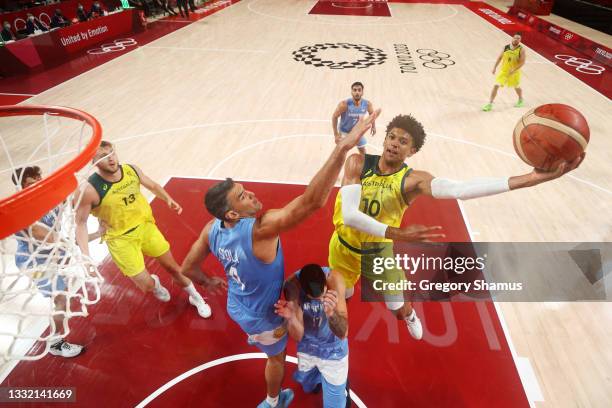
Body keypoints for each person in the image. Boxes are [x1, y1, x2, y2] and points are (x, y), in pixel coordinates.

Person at [180, 111, 379, 408]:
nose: (250, 194)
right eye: (242, 196)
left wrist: (207, 281)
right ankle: (273, 401)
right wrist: (342, 148)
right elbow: (312, 202)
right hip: (265, 315)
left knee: (288, 335)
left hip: (238, 306)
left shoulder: (212, 229)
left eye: (244, 189)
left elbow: (187, 268)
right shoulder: (261, 230)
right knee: (276, 359)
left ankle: (293, 371)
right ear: (233, 214)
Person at [329, 113, 584, 339]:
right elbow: (349, 215)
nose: (395, 143)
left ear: (412, 151)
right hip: (343, 248)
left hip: (378, 255)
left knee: (397, 310)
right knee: (341, 302)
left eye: (403, 141)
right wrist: (396, 233)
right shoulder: (358, 164)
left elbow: (460, 189)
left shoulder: (413, 181)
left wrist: (530, 179)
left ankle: (409, 315)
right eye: (392, 137)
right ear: (384, 139)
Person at [75, 141, 218, 319]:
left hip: (145, 227)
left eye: (112, 153)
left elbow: (152, 185)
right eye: (104, 157)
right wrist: (86, 259)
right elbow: (80, 223)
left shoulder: (131, 170)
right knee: (146, 285)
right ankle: (155, 285)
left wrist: (167, 198)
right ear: (93, 162)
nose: (111, 159)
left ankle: (196, 298)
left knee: (174, 268)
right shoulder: (89, 190)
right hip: (121, 240)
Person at [12, 166, 105, 358]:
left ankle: (58, 329)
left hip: (54, 253)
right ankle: (56, 343)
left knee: (64, 292)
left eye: (38, 180)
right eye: (30, 184)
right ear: (21, 188)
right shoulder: (19, 211)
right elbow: (44, 236)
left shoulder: (50, 198)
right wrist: (78, 252)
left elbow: (78, 201)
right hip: (34, 263)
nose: (37, 185)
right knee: (61, 297)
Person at [275, 264, 350, 408]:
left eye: (323, 293)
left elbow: (343, 333)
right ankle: (318, 380)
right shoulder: (292, 286)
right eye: (316, 297)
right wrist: (291, 318)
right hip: (308, 346)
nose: (321, 298)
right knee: (308, 387)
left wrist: (331, 314)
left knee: (335, 404)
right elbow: (298, 335)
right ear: (304, 292)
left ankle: (342, 387)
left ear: (324, 282)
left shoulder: (335, 280)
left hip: (333, 349)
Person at [482, 33, 526, 111]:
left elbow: (522, 62)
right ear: (512, 38)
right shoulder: (506, 47)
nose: (516, 39)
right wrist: (494, 67)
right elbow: (499, 58)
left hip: (514, 73)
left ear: (520, 40)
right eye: (515, 38)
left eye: (518, 38)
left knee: (516, 87)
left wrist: (514, 69)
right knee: (496, 86)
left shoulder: (521, 50)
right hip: (504, 71)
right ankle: (490, 104)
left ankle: (520, 99)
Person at [332, 82, 376, 155]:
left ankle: (365, 165)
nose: (357, 92)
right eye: (355, 90)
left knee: (363, 151)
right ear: (351, 92)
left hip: (357, 131)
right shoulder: (344, 104)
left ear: (362, 92)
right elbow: (334, 117)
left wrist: (373, 126)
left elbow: (372, 114)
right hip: (344, 132)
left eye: (359, 90)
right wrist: (336, 134)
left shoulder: (367, 104)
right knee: (340, 153)